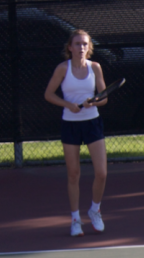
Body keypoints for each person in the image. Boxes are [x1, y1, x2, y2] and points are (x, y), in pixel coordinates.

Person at [44, 29, 109, 237]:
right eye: (78, 44)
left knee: (102, 172)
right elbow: (48, 94)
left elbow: (104, 97)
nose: (81, 47)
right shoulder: (63, 69)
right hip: (70, 124)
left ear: (88, 48)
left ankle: (95, 210)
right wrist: (68, 105)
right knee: (73, 174)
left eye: (85, 44)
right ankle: (75, 219)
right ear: (70, 48)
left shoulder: (95, 68)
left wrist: (94, 101)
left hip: (92, 123)